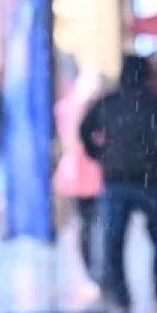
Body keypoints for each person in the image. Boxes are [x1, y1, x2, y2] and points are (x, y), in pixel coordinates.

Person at [81, 55, 157, 313]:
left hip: (114, 181)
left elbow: (84, 130)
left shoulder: (107, 103)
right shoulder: (154, 104)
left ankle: (122, 300)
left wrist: (100, 155)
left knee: (114, 244)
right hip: (147, 180)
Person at [54, 65, 103, 282]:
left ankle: (95, 269)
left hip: (89, 175)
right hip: (85, 175)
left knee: (88, 224)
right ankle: (94, 269)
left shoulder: (68, 109)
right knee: (89, 223)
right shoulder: (72, 110)